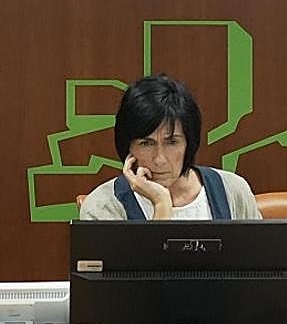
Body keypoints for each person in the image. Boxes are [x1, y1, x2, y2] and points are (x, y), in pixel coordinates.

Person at [79, 75, 261, 221]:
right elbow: (148, 268)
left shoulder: (232, 190)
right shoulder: (102, 207)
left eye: (172, 142)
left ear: (189, 143)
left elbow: (259, 265)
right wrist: (161, 204)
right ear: (128, 147)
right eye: (146, 143)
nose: (160, 159)